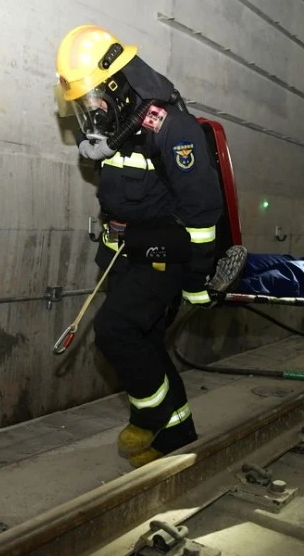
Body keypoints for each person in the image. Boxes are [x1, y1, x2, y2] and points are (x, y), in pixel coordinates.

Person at [55, 24, 223, 467]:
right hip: (124, 254)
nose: (87, 115)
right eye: (80, 105)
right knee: (145, 340)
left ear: (116, 85)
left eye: (90, 101)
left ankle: (151, 418)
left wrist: (196, 279)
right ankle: (178, 432)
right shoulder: (114, 124)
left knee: (116, 333)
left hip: (164, 257)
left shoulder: (171, 128)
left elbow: (203, 214)